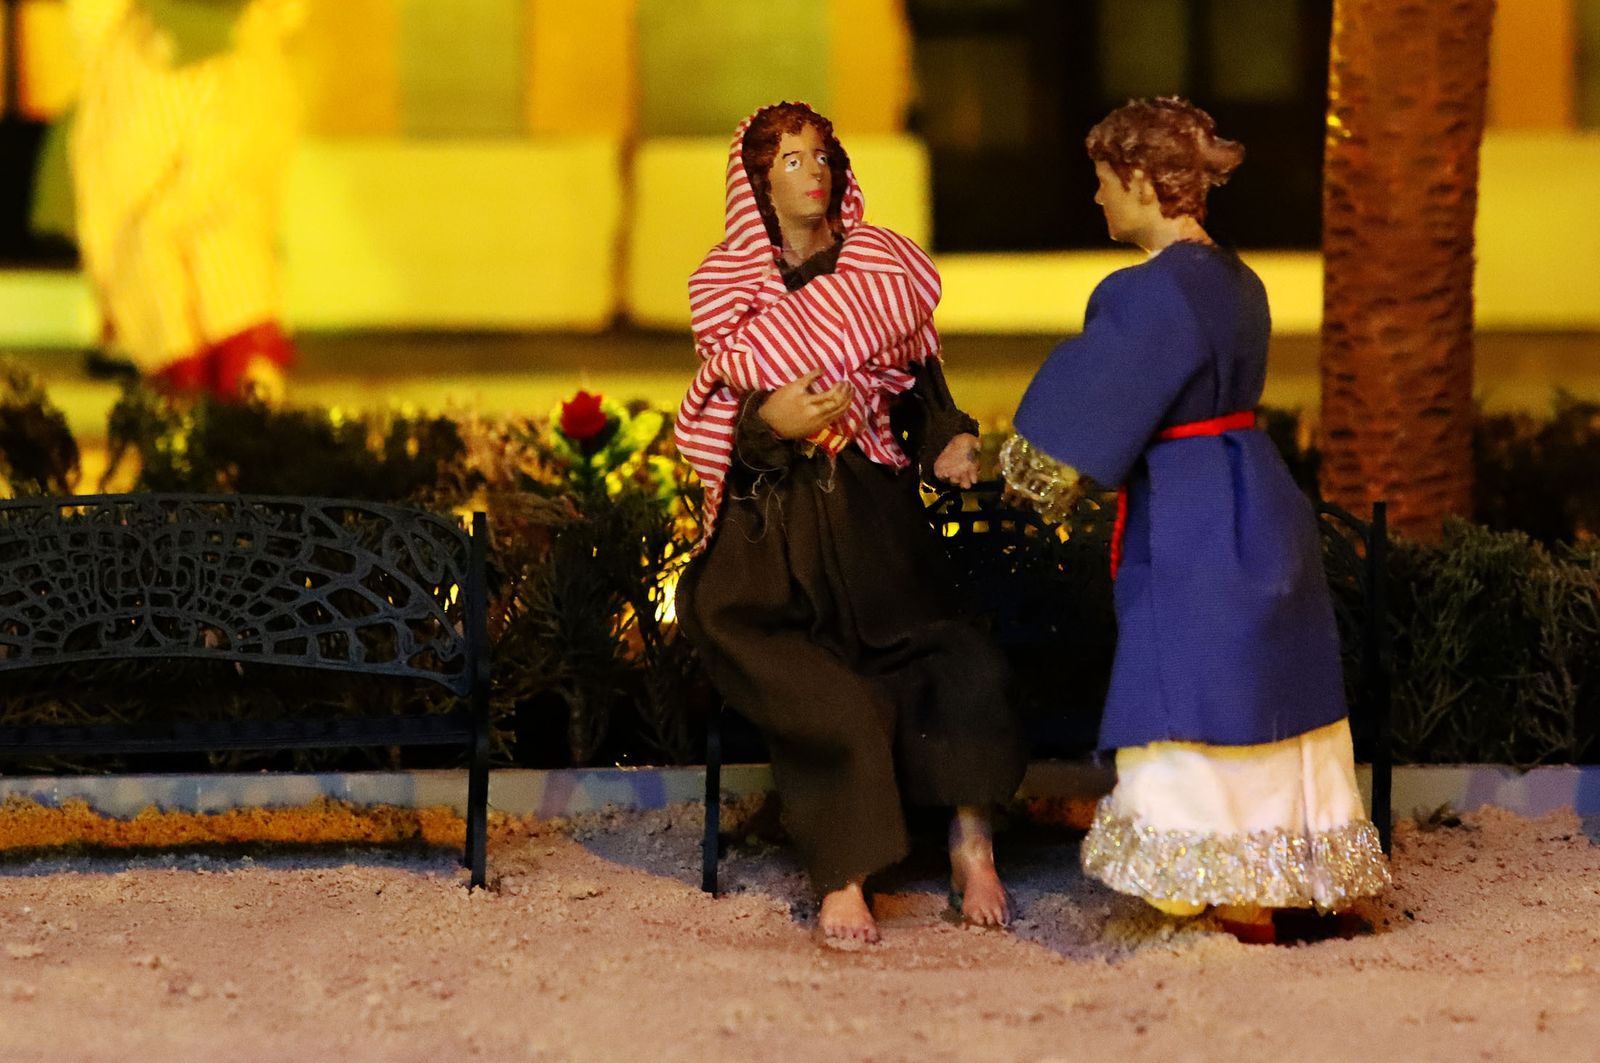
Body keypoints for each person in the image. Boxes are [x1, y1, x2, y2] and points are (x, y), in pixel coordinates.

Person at [1003, 97, 1389, 943]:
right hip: (1256, 493)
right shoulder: (1237, 280)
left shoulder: (1146, 295)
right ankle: (1276, 882)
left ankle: (1225, 896)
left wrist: (1012, 462)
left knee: (1194, 694)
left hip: (1192, 515)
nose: (1098, 199)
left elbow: (1092, 405)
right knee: (1266, 692)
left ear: (1144, 181)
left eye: (1106, 182)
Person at [675, 102, 1026, 944]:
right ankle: (846, 873)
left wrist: (950, 440)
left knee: (965, 667)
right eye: (792, 159)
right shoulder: (730, 290)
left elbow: (921, 390)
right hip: (772, 559)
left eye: (821, 155)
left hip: (874, 540)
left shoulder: (881, 272)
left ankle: (970, 843)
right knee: (835, 698)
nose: (813, 170)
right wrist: (775, 424)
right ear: (757, 182)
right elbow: (723, 422)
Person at [66, 0, 302, 400]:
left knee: (139, 219)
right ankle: (240, 361)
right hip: (242, 61)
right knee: (223, 216)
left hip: (155, 64)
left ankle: (179, 361)